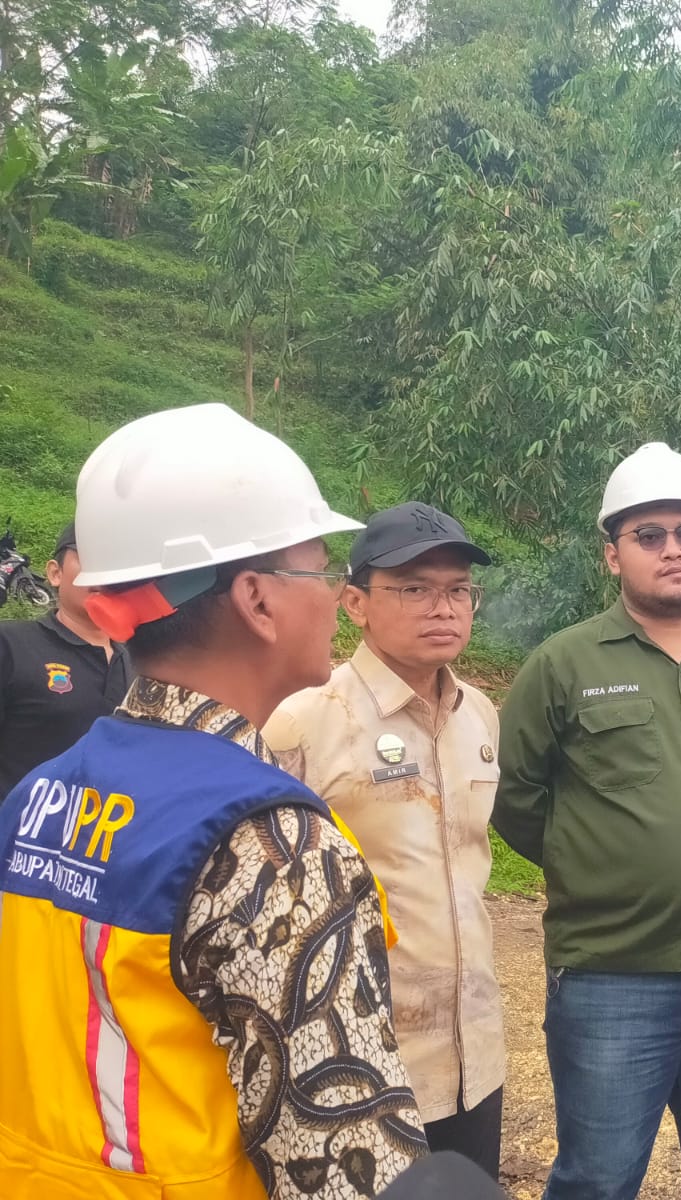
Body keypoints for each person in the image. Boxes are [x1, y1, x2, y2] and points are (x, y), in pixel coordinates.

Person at [0, 403, 425, 1198]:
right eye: (321, 570)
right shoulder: (272, 845)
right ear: (258, 601)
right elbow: (343, 1167)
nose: (338, 598)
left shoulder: (39, 796)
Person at [494, 442, 681, 1200]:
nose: (672, 551)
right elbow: (517, 801)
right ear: (612, 555)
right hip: (612, 976)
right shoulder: (562, 666)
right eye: (649, 536)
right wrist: (605, 869)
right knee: (598, 1180)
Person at [263, 502, 506, 1178]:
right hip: (361, 1059)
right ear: (354, 603)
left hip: (473, 1055)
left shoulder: (478, 714)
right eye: (414, 588)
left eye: (458, 589)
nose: (443, 607)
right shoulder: (304, 722)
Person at [0, 521, 132, 796]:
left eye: (112, 561)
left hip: (110, 835)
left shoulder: (142, 662)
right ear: (55, 573)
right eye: (90, 557)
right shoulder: (11, 645)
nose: (102, 572)